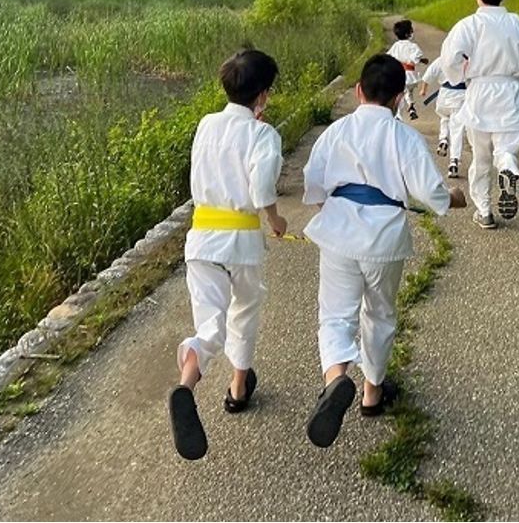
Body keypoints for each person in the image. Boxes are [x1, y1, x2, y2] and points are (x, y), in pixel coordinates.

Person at [301, 54, 466, 448]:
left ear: (358, 91)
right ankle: (371, 394)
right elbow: (429, 192)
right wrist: (453, 199)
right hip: (384, 239)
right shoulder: (404, 137)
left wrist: (330, 207)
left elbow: (313, 181)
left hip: (340, 232)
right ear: (397, 98)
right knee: (379, 313)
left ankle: (335, 379)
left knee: (336, 315)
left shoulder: (336, 131)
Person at [169, 49, 289, 461]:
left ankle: (186, 385)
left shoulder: (205, 125)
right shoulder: (263, 136)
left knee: (209, 327)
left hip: (202, 238)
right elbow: (261, 191)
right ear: (264, 95)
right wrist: (275, 220)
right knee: (243, 314)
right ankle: (238, 389)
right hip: (241, 242)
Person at [438, 0, 519, 230]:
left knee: (481, 158)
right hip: (510, 93)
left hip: (479, 95)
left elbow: (450, 58)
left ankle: (484, 211)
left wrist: (460, 76)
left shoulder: (469, 25)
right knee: (506, 149)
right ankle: (509, 168)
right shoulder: (518, 24)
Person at [419, 52, 468, 179]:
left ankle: (443, 139)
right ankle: (454, 161)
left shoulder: (442, 59)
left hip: (444, 96)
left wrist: (423, 90)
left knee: (445, 117)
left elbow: (428, 76)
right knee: (457, 129)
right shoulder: (467, 60)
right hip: (460, 97)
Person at [385, 19, 426, 121]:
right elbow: (416, 59)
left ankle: (399, 114)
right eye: (411, 31)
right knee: (408, 92)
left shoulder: (395, 46)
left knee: (400, 94)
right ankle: (411, 107)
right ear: (408, 34)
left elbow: (388, 57)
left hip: (399, 74)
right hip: (411, 75)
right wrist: (422, 60)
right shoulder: (413, 46)